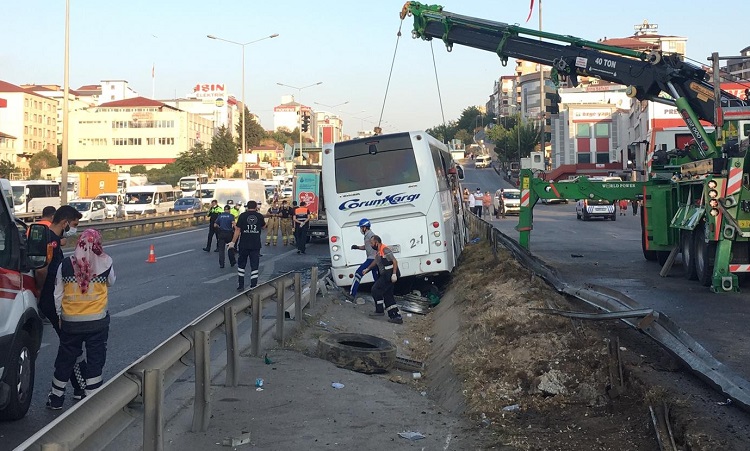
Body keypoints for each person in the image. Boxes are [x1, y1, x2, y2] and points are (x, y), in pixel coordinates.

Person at [46, 229, 115, 410]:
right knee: (95, 358)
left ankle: (56, 398)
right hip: (97, 321)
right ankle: (92, 396)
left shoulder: (65, 264)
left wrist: (60, 315)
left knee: (65, 358)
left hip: (71, 321)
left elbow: (57, 293)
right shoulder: (106, 262)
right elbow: (111, 282)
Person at [362, 235, 403, 324]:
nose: (371, 245)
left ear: (377, 242)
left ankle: (380, 310)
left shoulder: (385, 250)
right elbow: (376, 261)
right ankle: (396, 316)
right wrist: (367, 269)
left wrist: (394, 274)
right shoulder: (378, 251)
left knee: (375, 289)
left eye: (372, 243)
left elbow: (394, 261)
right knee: (388, 295)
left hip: (389, 275)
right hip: (386, 275)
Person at [229, 201, 266, 291]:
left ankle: (241, 285)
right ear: (256, 207)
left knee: (241, 265)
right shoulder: (259, 216)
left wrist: (233, 242)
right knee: (254, 265)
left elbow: (237, 230)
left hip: (243, 244)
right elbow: (264, 226)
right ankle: (253, 285)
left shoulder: (242, 216)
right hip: (255, 245)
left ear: (247, 207)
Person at [349, 218, 379, 300]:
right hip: (374, 259)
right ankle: (381, 297)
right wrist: (357, 247)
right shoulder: (367, 236)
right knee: (377, 279)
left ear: (365, 227)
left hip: (371, 259)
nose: (360, 229)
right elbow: (367, 247)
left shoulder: (370, 236)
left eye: (361, 227)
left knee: (358, 273)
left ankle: (352, 294)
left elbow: (376, 246)